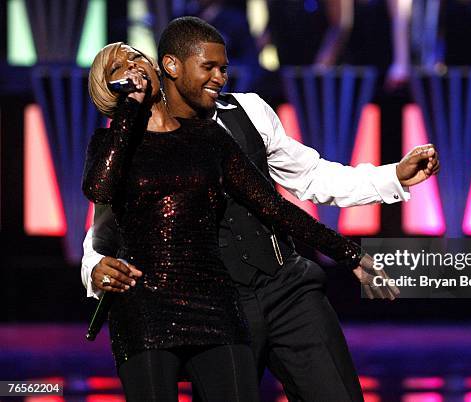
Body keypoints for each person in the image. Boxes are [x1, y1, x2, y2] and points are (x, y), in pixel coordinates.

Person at [82, 17, 439, 402]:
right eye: (209, 68)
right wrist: (93, 268)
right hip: (216, 304)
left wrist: (391, 178)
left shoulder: (247, 111)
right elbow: (105, 224)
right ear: (172, 66)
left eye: (223, 69)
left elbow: (308, 178)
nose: (219, 77)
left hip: (286, 287)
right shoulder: (127, 144)